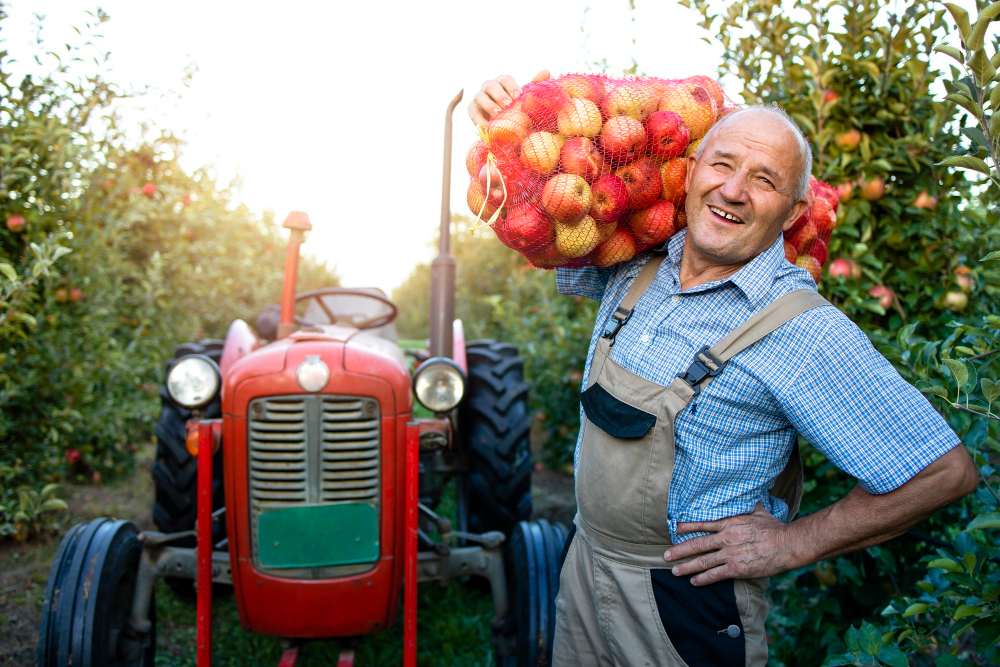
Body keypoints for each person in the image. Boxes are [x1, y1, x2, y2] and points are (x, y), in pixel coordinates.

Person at [469, 71, 979, 667]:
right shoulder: (634, 264)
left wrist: (790, 544)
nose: (733, 190)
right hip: (585, 566)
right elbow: (535, 217)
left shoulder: (798, 330)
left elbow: (944, 473)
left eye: (764, 181)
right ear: (688, 173)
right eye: (722, 164)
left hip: (683, 608)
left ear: (792, 213)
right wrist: (504, 124)